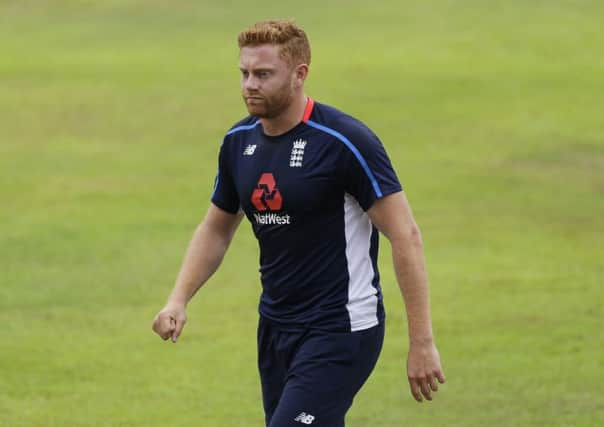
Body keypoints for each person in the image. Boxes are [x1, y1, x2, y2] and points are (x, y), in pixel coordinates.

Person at [152, 20, 445, 427]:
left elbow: (405, 235)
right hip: (275, 326)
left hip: (341, 327)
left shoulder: (344, 141)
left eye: (263, 74)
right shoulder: (239, 142)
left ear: (300, 73)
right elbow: (217, 228)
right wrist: (178, 299)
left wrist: (422, 341)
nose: (249, 85)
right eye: (244, 73)